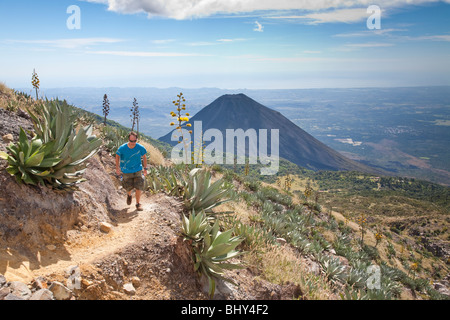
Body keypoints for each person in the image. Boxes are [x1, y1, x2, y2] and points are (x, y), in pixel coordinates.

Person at [115, 132, 148, 211]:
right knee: (128, 187)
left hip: (138, 170)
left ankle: (138, 204)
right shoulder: (122, 148)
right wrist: (117, 168)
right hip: (126, 171)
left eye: (134, 141)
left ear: (137, 140)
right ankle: (129, 195)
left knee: (138, 187)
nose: (133, 143)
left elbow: (144, 157)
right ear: (128, 139)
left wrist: (145, 168)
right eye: (131, 141)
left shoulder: (140, 147)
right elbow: (117, 156)